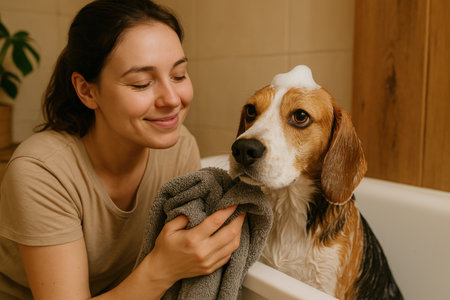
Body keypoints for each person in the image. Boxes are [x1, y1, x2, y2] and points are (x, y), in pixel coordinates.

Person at [0, 0, 245, 299]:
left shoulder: (180, 147)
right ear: (87, 91)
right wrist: (164, 269)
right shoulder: (42, 171)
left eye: (179, 75)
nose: (171, 98)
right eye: (142, 83)